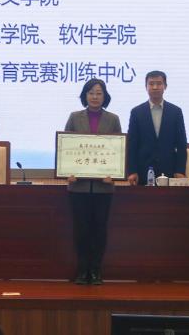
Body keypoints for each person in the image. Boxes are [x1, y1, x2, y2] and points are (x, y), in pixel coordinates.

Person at [64, 78, 123, 285]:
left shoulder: (113, 119)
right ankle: (82, 270)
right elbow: (66, 148)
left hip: (103, 187)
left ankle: (96, 270)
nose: (95, 97)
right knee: (81, 230)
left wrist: (113, 173)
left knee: (99, 230)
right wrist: (67, 171)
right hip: (78, 186)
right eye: (91, 93)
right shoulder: (74, 117)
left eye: (99, 93)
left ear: (105, 96)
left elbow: (117, 151)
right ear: (85, 95)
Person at [126, 70, 188, 185]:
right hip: (142, 171)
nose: (155, 87)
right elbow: (132, 144)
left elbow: (181, 144)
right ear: (146, 87)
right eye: (151, 84)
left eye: (159, 83)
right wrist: (132, 171)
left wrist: (180, 170)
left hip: (169, 170)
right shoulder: (136, 112)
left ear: (165, 86)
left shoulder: (175, 112)